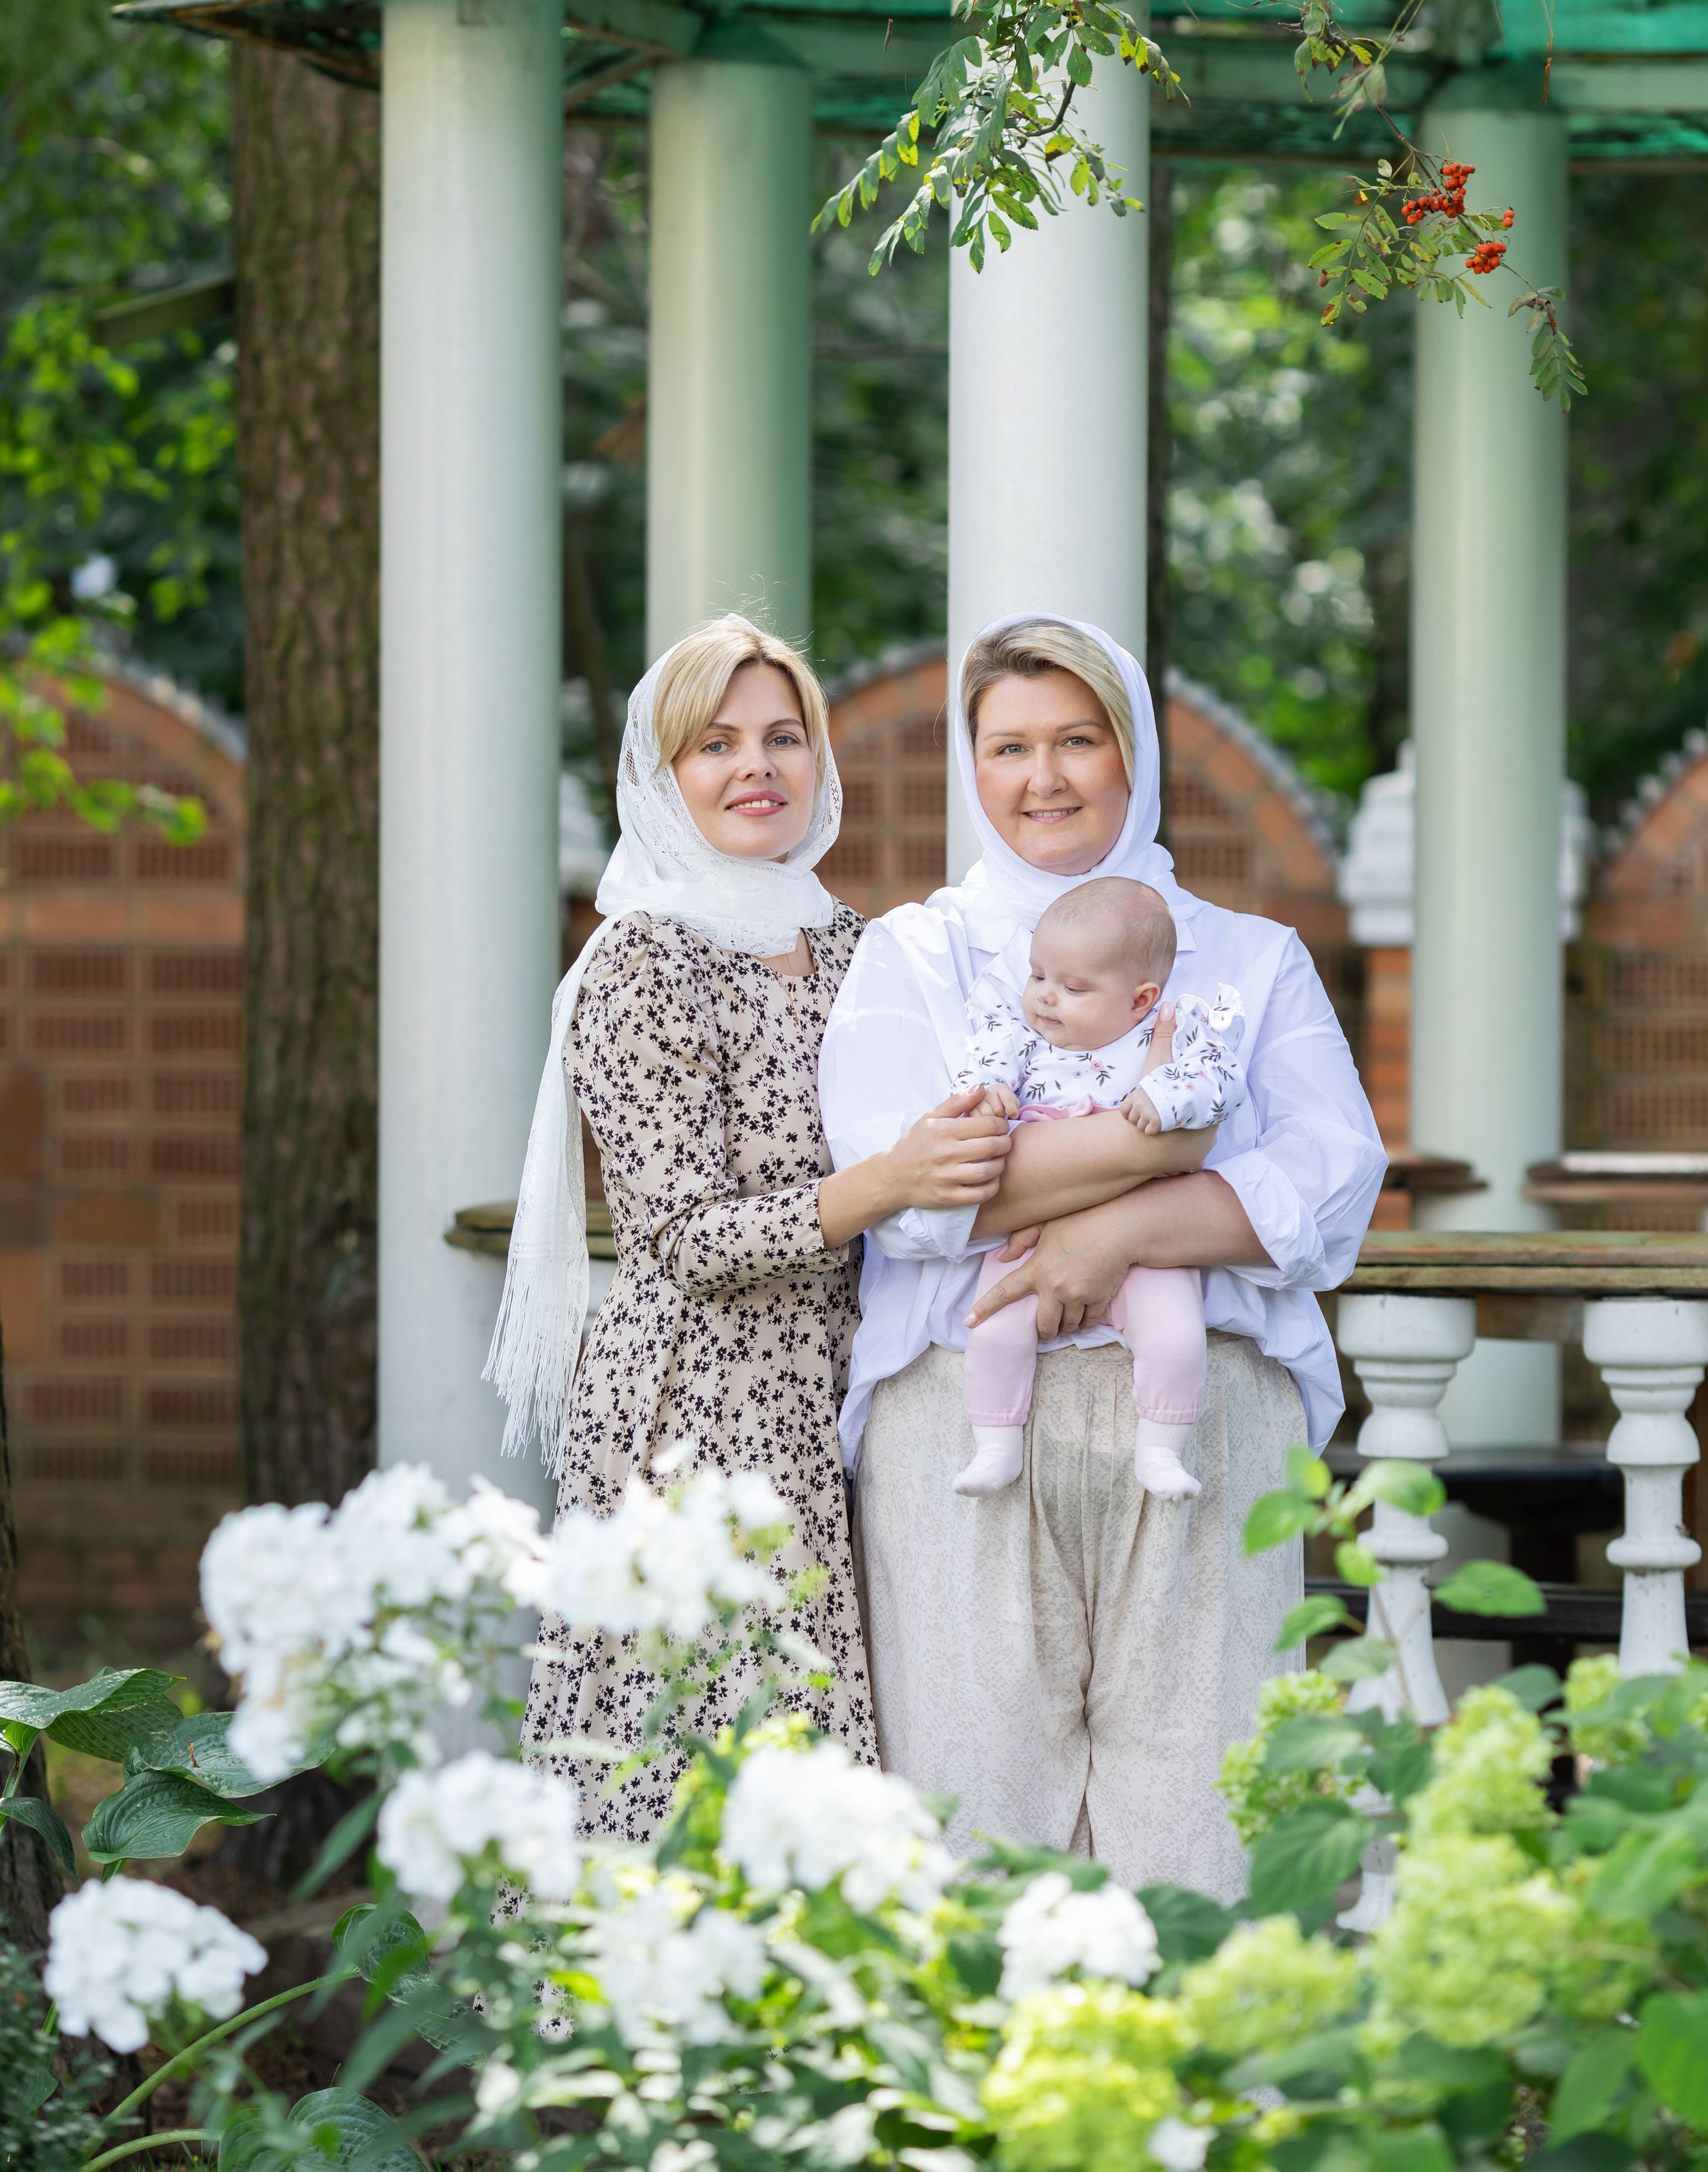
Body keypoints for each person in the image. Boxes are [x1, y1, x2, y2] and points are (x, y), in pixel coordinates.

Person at [818, 611, 1385, 1897]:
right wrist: (1175, 1156)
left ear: (1134, 754)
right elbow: (911, 1196)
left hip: (1206, 1413)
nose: (1044, 779)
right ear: (973, 766)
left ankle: (1195, 2085)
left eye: (1079, 740)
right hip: (959, 1407)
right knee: (968, 1790)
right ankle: (981, 2097)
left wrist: (1114, 1233)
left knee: (1208, 1788)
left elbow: (1333, 1183)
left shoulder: (1250, 955)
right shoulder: (914, 952)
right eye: (1009, 746)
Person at [490, 614, 1013, 1843]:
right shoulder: (640, 964)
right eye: (715, 744)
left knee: (848, 1741)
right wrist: (890, 1180)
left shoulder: (858, 947)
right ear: (662, 777)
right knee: (709, 1752)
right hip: (698, 1405)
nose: (756, 766)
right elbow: (681, 1236)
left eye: (784, 736)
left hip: (855, 1376)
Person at [951, 875, 1246, 1504]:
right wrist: (992, 1095)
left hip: (1145, 1231)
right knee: (994, 1328)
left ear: (1140, 1000)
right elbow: (980, 1066)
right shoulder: (1021, 1037)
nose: (1045, 998)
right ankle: (995, 1445)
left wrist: (1164, 1097)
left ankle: (1162, 1449)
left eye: (1073, 987)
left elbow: (1221, 1085)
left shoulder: (1170, 1033)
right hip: (1034, 1226)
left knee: (1175, 1335)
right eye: (1038, 976)